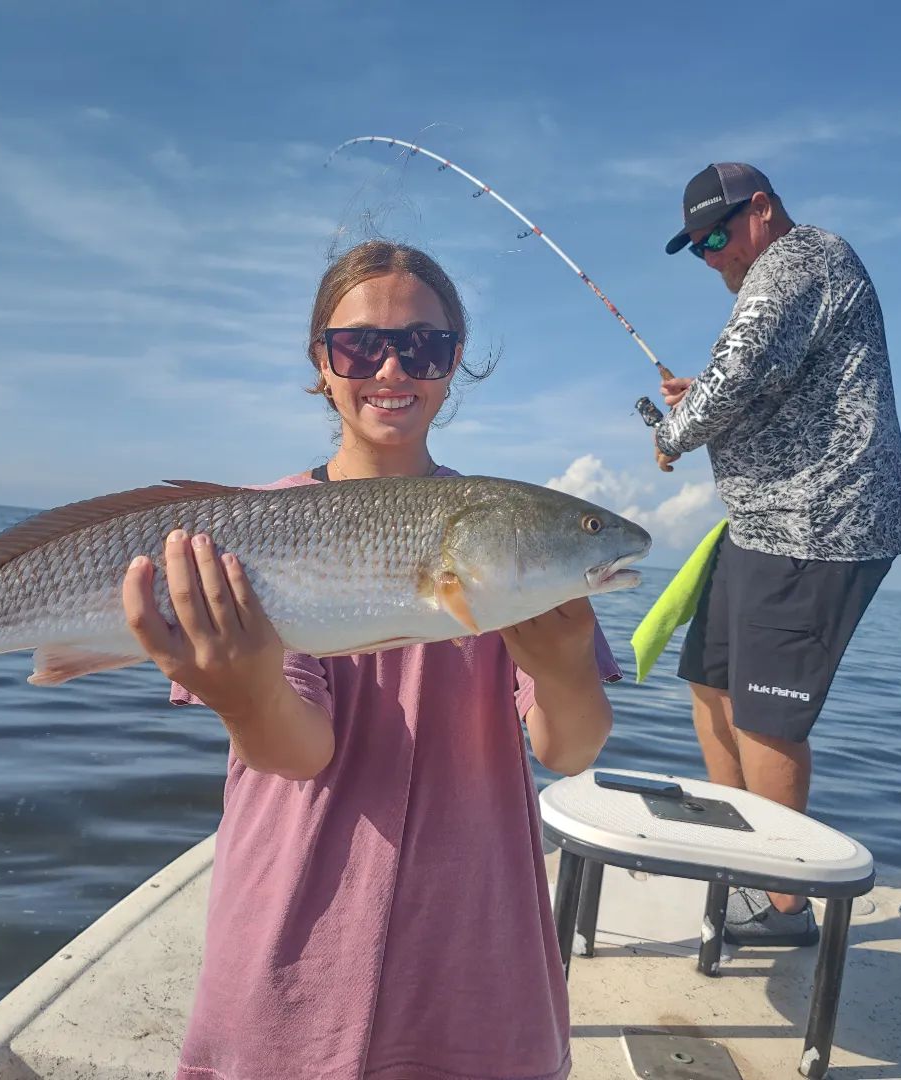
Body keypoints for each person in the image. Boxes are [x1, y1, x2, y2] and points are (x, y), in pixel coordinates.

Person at [121, 239, 623, 1080]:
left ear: (455, 362)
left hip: (474, 947)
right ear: (321, 361)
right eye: (358, 345)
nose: (392, 367)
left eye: (424, 345)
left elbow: (568, 750)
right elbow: (298, 750)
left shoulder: (509, 534)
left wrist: (568, 666)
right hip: (296, 941)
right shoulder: (256, 524)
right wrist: (244, 699)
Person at [650, 163, 901, 946]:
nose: (715, 258)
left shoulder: (800, 260)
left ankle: (785, 904)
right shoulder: (791, 280)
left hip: (818, 526)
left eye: (720, 237)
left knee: (768, 718)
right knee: (708, 682)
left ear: (760, 209)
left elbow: (735, 374)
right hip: (759, 526)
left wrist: (674, 431)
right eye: (699, 249)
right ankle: (736, 862)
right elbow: (756, 375)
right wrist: (703, 393)